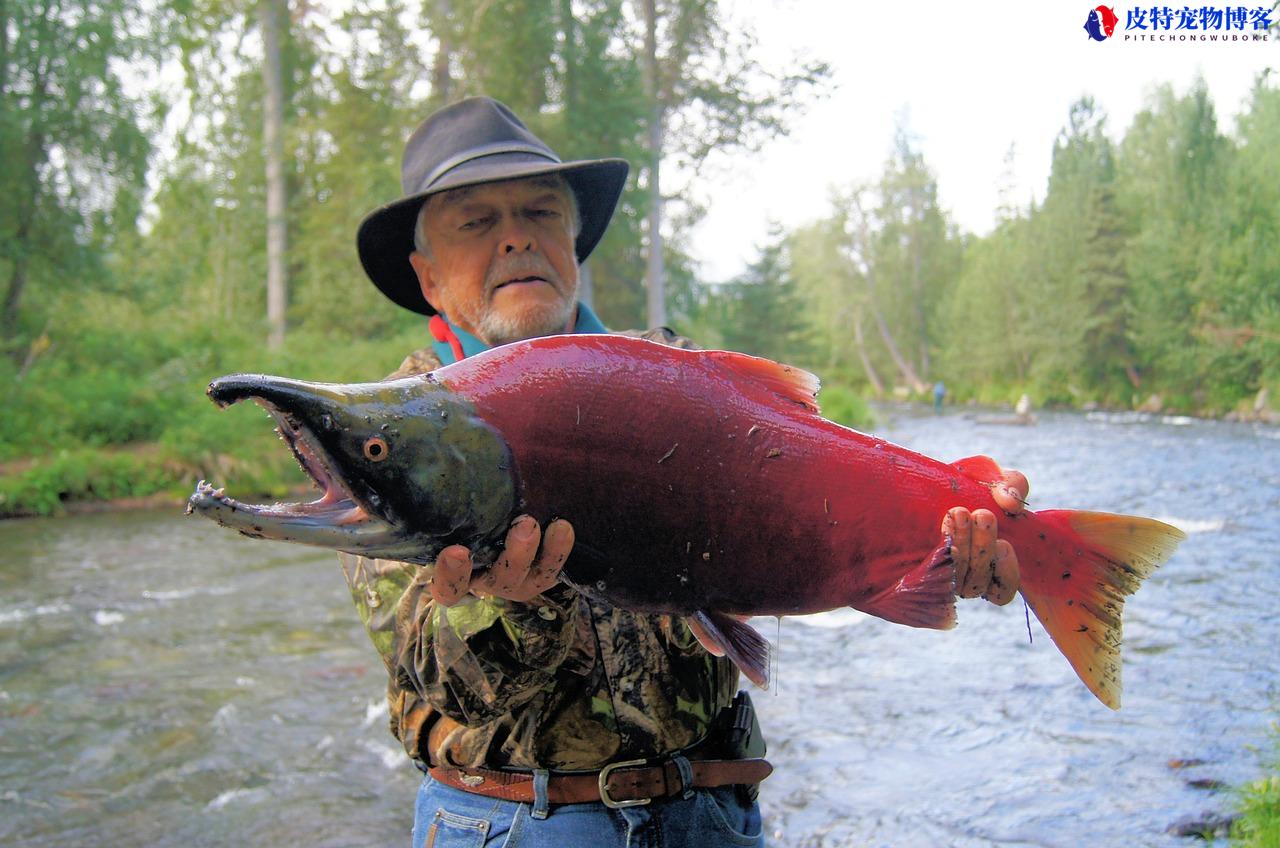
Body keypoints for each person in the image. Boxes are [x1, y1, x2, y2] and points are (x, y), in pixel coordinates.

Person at [344, 96, 1029, 847]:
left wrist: (949, 535)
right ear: (428, 277)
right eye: (477, 223)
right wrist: (516, 603)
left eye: (540, 213)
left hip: (715, 812)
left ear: (573, 241)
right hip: (508, 824)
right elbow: (437, 679)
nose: (515, 240)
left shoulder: (682, 376)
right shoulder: (393, 438)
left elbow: (815, 512)